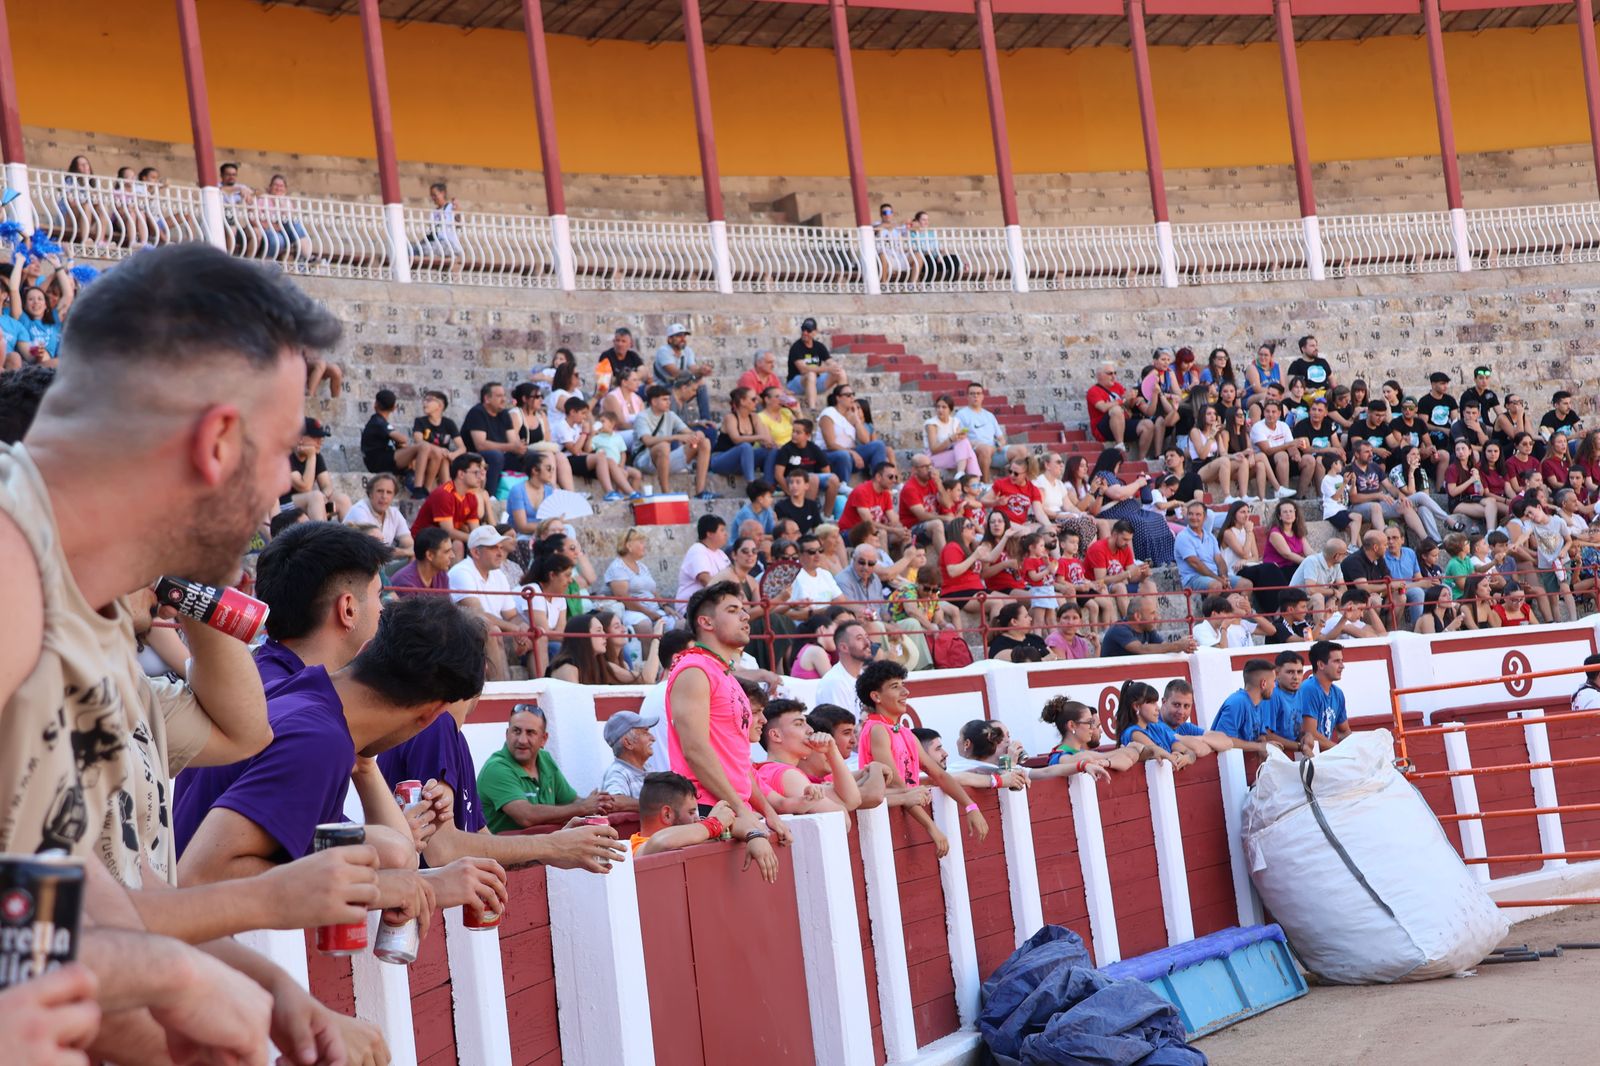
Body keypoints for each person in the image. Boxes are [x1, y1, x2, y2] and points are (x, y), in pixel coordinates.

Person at [175, 596, 488, 914]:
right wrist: (382, 890)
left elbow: (400, 857)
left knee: (391, 848)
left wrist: (365, 767)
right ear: (432, 714)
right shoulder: (319, 740)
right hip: (190, 931)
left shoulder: (302, 692)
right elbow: (199, 877)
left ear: (366, 649)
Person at [666, 582, 792, 865]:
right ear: (706, 622)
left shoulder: (723, 674)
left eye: (744, 610)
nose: (746, 616)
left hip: (733, 809)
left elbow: (739, 759)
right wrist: (741, 810)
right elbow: (695, 750)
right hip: (708, 809)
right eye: (733, 610)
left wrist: (768, 812)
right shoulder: (694, 670)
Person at [856, 659, 987, 855]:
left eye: (903, 684)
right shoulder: (877, 730)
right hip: (880, 822)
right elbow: (898, 786)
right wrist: (931, 827)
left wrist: (971, 806)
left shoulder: (905, 733)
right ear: (876, 696)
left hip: (897, 819)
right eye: (895, 686)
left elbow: (939, 775)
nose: (905, 692)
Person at [250, 521, 391, 687]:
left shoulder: (258, 675)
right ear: (348, 610)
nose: (383, 609)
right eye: (379, 595)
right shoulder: (300, 697)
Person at [477, 704, 618, 831]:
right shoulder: (496, 768)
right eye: (516, 731)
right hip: (505, 851)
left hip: (545, 847)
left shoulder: (545, 759)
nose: (522, 740)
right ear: (507, 734)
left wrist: (599, 803)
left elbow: (571, 801)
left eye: (530, 733)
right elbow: (526, 816)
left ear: (543, 739)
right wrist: (583, 807)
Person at [630, 772, 778, 880]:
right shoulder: (636, 847)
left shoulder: (699, 830)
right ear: (667, 814)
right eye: (691, 812)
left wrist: (754, 835)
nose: (696, 818)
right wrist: (714, 823)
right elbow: (661, 842)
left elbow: (733, 822)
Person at [755, 700, 863, 814]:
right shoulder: (787, 774)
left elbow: (852, 801)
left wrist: (832, 750)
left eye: (806, 723)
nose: (810, 730)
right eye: (799, 724)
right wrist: (832, 751)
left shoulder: (770, 770)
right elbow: (843, 816)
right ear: (776, 735)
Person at [449, 526, 528, 681]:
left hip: (493, 632)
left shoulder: (498, 574)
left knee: (537, 635)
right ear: (476, 552)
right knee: (492, 630)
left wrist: (521, 628)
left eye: (500, 547)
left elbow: (512, 615)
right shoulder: (461, 572)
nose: (500, 553)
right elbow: (478, 614)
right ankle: (502, 688)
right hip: (467, 636)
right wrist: (514, 628)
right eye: (493, 548)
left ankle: (541, 685)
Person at [635, 383, 715, 498]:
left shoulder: (670, 415)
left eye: (669, 399)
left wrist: (697, 435)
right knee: (664, 446)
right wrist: (676, 437)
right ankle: (666, 493)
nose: (669, 402)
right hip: (644, 460)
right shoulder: (642, 417)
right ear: (654, 402)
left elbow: (688, 432)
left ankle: (700, 492)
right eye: (664, 399)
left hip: (665, 459)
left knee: (704, 442)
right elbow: (647, 441)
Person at [1030, 697, 1142, 776]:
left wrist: (1106, 762)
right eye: (1089, 722)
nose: (1092, 727)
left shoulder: (1081, 752)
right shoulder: (1059, 756)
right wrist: (1109, 757)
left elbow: (1130, 757)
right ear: (1072, 725)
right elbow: (1080, 759)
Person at [363, 387, 445, 490]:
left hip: (385, 459)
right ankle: (418, 487)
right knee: (423, 446)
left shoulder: (379, 421)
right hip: (378, 462)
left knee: (436, 453)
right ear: (394, 408)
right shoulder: (378, 421)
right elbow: (402, 439)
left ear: (375, 404)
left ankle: (426, 488)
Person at [1211, 658, 1299, 754]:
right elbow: (1223, 740)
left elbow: (1260, 736)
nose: (1274, 686)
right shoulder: (1237, 703)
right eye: (1274, 681)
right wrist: (1259, 746)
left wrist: (1266, 744)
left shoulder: (1258, 703)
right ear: (1263, 684)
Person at [411, 451, 488, 557]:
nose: (480, 477)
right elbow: (448, 531)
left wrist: (484, 539)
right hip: (423, 543)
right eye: (476, 473)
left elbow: (475, 530)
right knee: (458, 544)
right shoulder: (444, 494)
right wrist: (478, 539)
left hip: (443, 542)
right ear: (461, 474)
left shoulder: (471, 496)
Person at [1113, 680, 1199, 770]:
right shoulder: (1134, 733)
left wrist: (1186, 758)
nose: (1157, 708)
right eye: (1152, 703)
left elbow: (1189, 752)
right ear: (1137, 706)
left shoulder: (1157, 727)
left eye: (1156, 703)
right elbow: (1162, 757)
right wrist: (1178, 757)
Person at [281, 416, 351, 522]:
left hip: (310, 504)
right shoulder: (285, 456)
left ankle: (350, 533)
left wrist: (324, 496)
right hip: (285, 507)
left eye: (321, 438)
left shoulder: (317, 456)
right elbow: (304, 487)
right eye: (316, 438)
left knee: (342, 500)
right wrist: (311, 457)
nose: (320, 442)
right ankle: (320, 533)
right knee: (315, 497)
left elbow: (327, 485)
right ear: (300, 439)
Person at [460, 381, 523, 497]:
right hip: (475, 456)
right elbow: (480, 445)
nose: (504, 399)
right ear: (487, 399)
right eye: (499, 396)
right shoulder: (477, 413)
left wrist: (520, 448)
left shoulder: (504, 414)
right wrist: (511, 447)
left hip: (501, 455)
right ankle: (490, 495)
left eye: (504, 395)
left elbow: (513, 441)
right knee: (495, 456)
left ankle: (529, 495)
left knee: (532, 457)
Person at [1296, 640, 1351, 754]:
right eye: (1336, 661)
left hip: (1325, 756)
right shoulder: (1309, 689)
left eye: (1342, 661)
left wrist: (1357, 747)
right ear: (1321, 665)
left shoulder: (1338, 693)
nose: (1342, 666)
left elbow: (1344, 732)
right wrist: (1341, 751)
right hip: (1306, 757)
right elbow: (1310, 734)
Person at [1175, 499, 1241, 593]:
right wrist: (1218, 579)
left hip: (1214, 576)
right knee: (1217, 585)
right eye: (1190, 514)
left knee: (1245, 584)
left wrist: (1224, 577)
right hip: (1193, 578)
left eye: (1198, 514)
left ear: (1205, 517)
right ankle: (1211, 603)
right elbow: (1195, 564)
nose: (1193, 517)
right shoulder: (1183, 537)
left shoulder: (1210, 536)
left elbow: (1219, 560)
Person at [344, 472, 416, 556]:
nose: (384, 496)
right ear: (370, 494)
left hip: (379, 561)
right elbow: (373, 550)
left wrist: (408, 552)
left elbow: (410, 544)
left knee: (415, 557)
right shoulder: (359, 511)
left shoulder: (394, 513)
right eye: (380, 491)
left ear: (393, 496)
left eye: (389, 492)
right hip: (354, 560)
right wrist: (405, 552)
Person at [1101, 596, 1198, 657]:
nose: (1157, 617)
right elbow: (1141, 649)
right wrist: (1177, 645)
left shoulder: (1147, 628)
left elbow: (1163, 646)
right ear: (1138, 617)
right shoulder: (1119, 629)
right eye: (1152, 613)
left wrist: (1183, 646)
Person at [654, 323, 713, 420]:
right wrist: (697, 372)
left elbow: (693, 368)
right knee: (683, 387)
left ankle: (706, 419)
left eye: (684, 336)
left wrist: (702, 371)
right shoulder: (663, 351)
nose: (683, 339)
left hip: (679, 385)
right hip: (664, 386)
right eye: (678, 336)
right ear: (670, 339)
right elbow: (675, 373)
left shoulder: (687, 351)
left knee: (700, 383)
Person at [599, 711, 660, 800]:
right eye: (645, 733)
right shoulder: (617, 773)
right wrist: (654, 806)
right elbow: (614, 801)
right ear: (628, 743)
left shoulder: (647, 768)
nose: (653, 738)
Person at [677, 514, 732, 608]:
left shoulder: (720, 553)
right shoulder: (697, 550)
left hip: (715, 603)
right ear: (709, 533)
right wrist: (728, 596)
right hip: (693, 606)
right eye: (722, 530)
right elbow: (705, 579)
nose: (726, 534)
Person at [390, 525, 453, 598]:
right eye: (447, 552)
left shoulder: (441, 575)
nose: (452, 555)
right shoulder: (405, 584)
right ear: (429, 555)